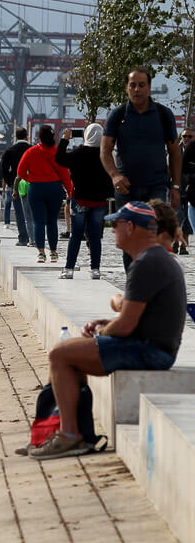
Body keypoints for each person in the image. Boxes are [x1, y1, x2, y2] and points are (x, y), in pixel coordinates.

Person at [29, 201, 186, 460]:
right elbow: (133, 317)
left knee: (60, 355)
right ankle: (75, 433)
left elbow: (125, 326)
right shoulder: (153, 257)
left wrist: (103, 333)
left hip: (151, 352)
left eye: (116, 224)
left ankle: (69, 436)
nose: (111, 229)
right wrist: (104, 324)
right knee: (72, 356)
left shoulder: (147, 262)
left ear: (131, 227)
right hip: (155, 347)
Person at [101, 68, 182, 211]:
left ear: (149, 88)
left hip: (157, 187)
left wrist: (175, 187)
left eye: (141, 85)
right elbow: (105, 150)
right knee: (126, 232)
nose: (137, 89)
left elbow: (175, 151)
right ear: (126, 88)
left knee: (153, 231)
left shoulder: (164, 114)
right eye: (132, 85)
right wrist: (114, 176)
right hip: (125, 187)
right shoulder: (117, 115)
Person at [55, 124, 113, 280]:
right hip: (99, 202)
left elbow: (59, 158)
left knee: (75, 235)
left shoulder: (78, 153)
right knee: (95, 237)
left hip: (80, 200)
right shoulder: (105, 155)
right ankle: (95, 269)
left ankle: (69, 269)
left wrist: (65, 140)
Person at [17, 125, 72, 264]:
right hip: (54, 188)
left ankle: (41, 253)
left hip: (36, 188)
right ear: (53, 137)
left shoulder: (30, 152)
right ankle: (53, 252)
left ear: (39, 137)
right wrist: (70, 191)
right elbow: (65, 175)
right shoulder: (57, 152)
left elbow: (20, 172)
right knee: (52, 221)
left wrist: (31, 179)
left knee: (38, 221)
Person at [2, 127, 32, 246]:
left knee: (19, 213)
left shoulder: (9, 150)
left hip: (16, 185)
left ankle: (23, 238)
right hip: (31, 184)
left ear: (16, 136)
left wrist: (10, 182)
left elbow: (4, 169)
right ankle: (34, 237)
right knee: (32, 213)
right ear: (27, 136)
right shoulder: (32, 149)